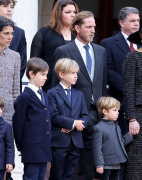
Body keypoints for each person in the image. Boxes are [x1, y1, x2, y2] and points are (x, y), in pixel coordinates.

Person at [53, 11, 107, 180]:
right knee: (68, 158)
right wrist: (63, 118)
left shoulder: (100, 51)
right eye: (88, 27)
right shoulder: (63, 50)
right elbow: (56, 84)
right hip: (71, 112)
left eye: (94, 27)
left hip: (96, 111)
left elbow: (102, 81)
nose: (93, 30)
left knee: (91, 155)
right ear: (77, 28)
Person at [47, 58, 89, 180]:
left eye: (76, 73)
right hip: (59, 141)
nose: (76, 76)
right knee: (57, 175)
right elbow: (53, 115)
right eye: (72, 73)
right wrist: (73, 123)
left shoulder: (79, 94)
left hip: (76, 142)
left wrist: (76, 125)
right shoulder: (52, 93)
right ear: (61, 74)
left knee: (71, 175)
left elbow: (85, 115)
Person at [100, 7, 140, 134]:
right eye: (133, 20)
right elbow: (108, 71)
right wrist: (130, 90)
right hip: (120, 104)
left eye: (138, 20)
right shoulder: (108, 43)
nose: (137, 24)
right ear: (122, 23)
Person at [12, 57, 52, 180]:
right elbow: (18, 124)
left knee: (41, 176)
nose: (45, 77)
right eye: (43, 74)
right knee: (31, 176)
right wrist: (21, 147)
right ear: (31, 74)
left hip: (43, 147)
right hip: (31, 147)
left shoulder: (44, 95)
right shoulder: (24, 97)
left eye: (46, 74)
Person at [30, 0, 78, 92]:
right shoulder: (44, 32)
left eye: (74, 12)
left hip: (73, 86)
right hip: (48, 84)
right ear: (59, 14)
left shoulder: (77, 35)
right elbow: (34, 61)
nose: (72, 15)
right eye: (68, 12)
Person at [93, 97, 133, 180]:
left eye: (118, 111)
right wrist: (99, 164)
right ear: (105, 111)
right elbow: (96, 148)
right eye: (114, 110)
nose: (117, 113)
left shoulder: (116, 126)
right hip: (105, 165)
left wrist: (129, 135)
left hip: (117, 163)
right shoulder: (98, 128)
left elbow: (120, 143)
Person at [123, 28, 142, 179]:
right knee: (136, 157)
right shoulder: (132, 57)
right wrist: (132, 118)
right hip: (138, 113)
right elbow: (128, 89)